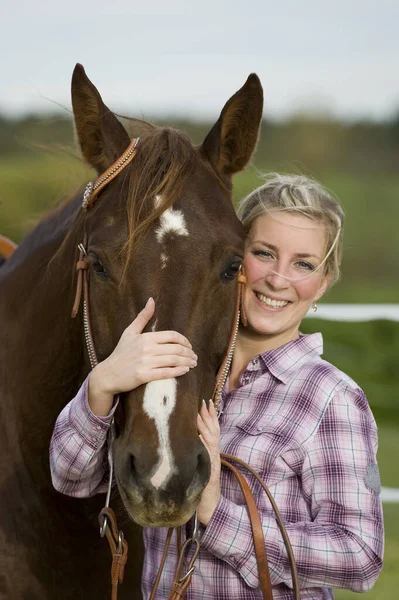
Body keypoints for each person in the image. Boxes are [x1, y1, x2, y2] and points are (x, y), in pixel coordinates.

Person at [50, 174, 384, 599]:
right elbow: (73, 479)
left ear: (323, 282)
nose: (278, 280)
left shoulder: (331, 398)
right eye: (264, 253)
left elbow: (360, 557)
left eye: (303, 264)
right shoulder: (178, 371)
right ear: (233, 260)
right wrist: (100, 387)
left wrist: (216, 513)